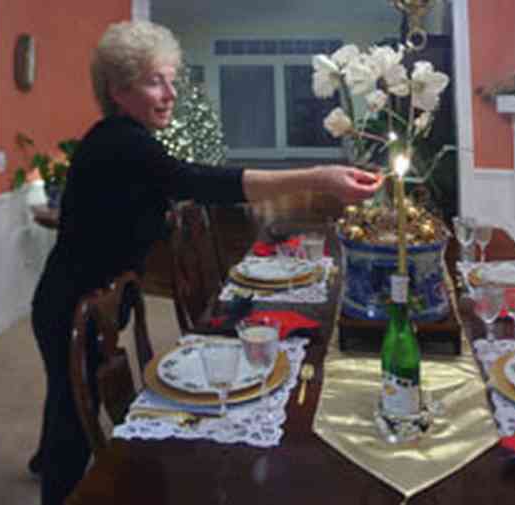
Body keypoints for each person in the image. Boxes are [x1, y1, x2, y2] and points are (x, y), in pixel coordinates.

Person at [27, 20, 382, 505]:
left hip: (84, 292)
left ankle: (45, 456)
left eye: (173, 79)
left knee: (67, 394)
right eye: (155, 81)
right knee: (72, 413)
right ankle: (57, 487)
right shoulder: (120, 141)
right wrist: (317, 177)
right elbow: (207, 182)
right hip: (69, 302)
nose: (171, 93)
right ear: (118, 88)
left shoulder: (127, 138)